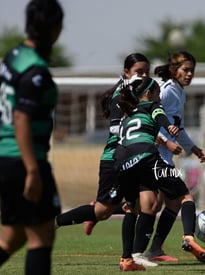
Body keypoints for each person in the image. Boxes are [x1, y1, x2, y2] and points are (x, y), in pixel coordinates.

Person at [0, 1, 64, 274]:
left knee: (12, 237)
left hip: (1, 156)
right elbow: (21, 118)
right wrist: (33, 170)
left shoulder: (13, 55)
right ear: (55, 29)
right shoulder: (36, 71)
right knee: (42, 236)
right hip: (22, 159)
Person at [55, 53, 152, 271]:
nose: (144, 75)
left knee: (106, 210)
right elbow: (119, 130)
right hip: (116, 159)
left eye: (147, 71)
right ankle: (127, 259)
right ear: (126, 73)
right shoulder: (123, 96)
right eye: (139, 71)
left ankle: (55, 222)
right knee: (128, 206)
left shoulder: (137, 94)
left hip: (125, 158)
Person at [116, 77, 205, 265]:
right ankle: (188, 237)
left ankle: (129, 258)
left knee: (133, 209)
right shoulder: (152, 106)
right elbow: (160, 116)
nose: (160, 97)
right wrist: (169, 127)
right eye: (158, 93)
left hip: (122, 163)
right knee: (185, 197)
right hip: (148, 159)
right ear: (148, 94)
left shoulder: (129, 114)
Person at [140, 50, 205, 262]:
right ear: (173, 70)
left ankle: (154, 250)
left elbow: (178, 127)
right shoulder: (167, 90)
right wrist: (166, 141)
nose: (189, 74)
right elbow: (150, 117)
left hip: (164, 157)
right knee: (181, 198)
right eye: (185, 70)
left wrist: (193, 148)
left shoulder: (180, 93)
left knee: (163, 204)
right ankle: (186, 238)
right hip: (155, 156)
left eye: (192, 71)